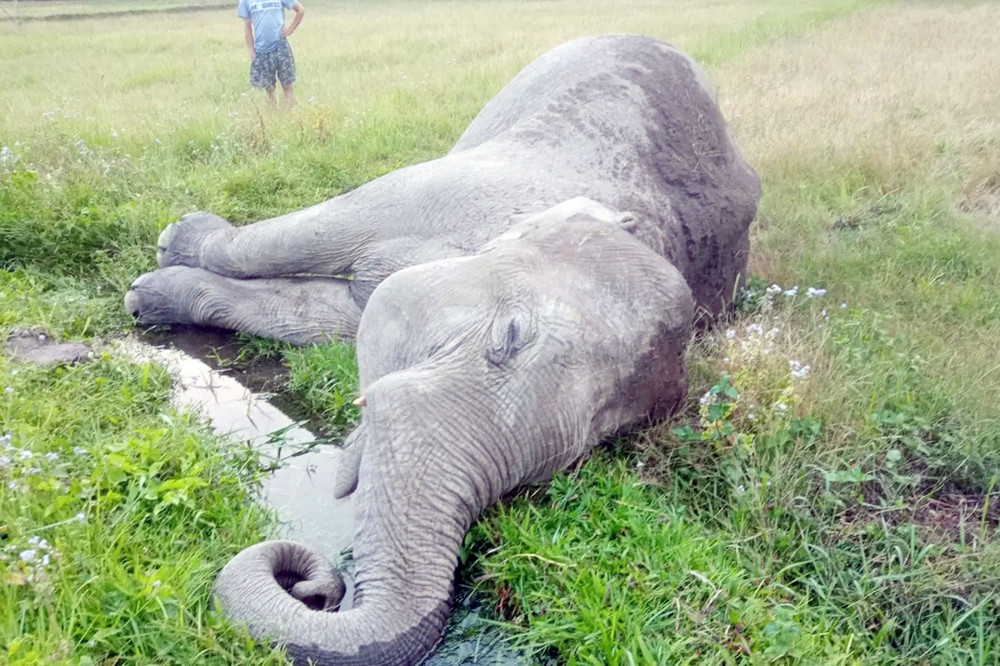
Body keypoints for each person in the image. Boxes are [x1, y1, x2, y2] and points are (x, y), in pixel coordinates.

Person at [237, 0, 305, 108]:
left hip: (281, 46)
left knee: (287, 86)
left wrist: (290, 29)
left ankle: (289, 117)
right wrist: (251, 50)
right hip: (261, 51)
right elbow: (247, 28)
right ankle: (274, 117)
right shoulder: (245, 1)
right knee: (269, 90)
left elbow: (300, 10)